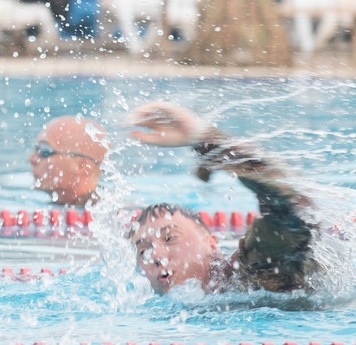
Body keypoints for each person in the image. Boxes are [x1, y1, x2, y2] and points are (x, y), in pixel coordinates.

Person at [127, 101, 318, 295]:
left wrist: (205, 140)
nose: (156, 256)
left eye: (170, 238)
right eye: (143, 251)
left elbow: (293, 209)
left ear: (211, 244)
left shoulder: (251, 273)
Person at [29, 115, 109, 206]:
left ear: (82, 166)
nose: (32, 159)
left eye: (45, 151)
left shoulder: (106, 216)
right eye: (36, 149)